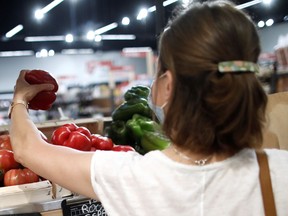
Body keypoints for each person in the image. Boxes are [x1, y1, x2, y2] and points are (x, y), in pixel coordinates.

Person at [9, 1, 288, 215]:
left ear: (168, 86)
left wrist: (20, 99)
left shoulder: (134, 179)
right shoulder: (280, 173)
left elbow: (27, 148)